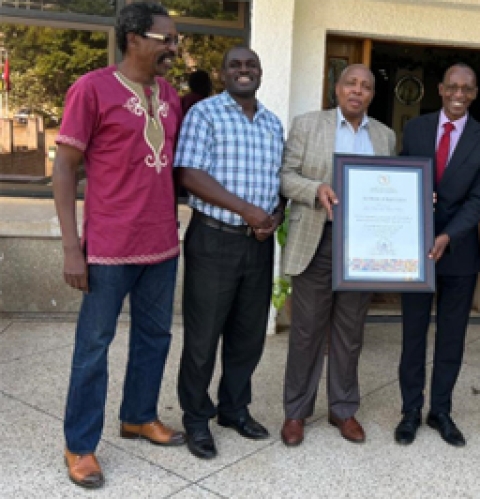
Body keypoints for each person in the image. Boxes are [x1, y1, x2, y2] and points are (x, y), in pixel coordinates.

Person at [53, 2, 184, 489]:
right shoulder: (91, 89)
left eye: (175, 39)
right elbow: (65, 168)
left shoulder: (168, 94)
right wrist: (72, 246)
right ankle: (80, 444)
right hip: (107, 247)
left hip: (161, 245)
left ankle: (138, 416)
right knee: (93, 348)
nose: (174, 47)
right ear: (134, 39)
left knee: (155, 338)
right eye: (166, 39)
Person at [174, 46, 285, 460]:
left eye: (250, 65)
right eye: (235, 65)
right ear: (223, 73)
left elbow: (278, 182)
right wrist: (248, 210)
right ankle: (196, 418)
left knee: (248, 335)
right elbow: (188, 174)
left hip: (257, 244)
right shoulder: (204, 114)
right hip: (214, 240)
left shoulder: (273, 124)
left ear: (260, 71)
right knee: (203, 338)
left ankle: (234, 409)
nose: (243, 71)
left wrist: (273, 215)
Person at [279, 64, 396, 446]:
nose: (357, 91)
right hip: (318, 239)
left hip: (362, 248)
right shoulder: (307, 125)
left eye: (365, 86)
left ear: (372, 95)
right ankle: (296, 412)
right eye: (351, 83)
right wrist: (316, 189)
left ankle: (343, 409)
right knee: (306, 332)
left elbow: (390, 189)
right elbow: (285, 176)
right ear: (337, 88)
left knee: (350, 332)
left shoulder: (385, 136)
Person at [395, 63, 480, 447]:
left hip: (458, 252)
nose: (459, 94)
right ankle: (410, 410)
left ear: (475, 94)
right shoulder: (416, 129)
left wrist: (447, 235)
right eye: (452, 87)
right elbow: (404, 179)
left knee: (451, 338)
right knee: (412, 335)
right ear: (440, 89)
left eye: (467, 89)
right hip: (416, 250)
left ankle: (440, 410)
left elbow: (479, 201)